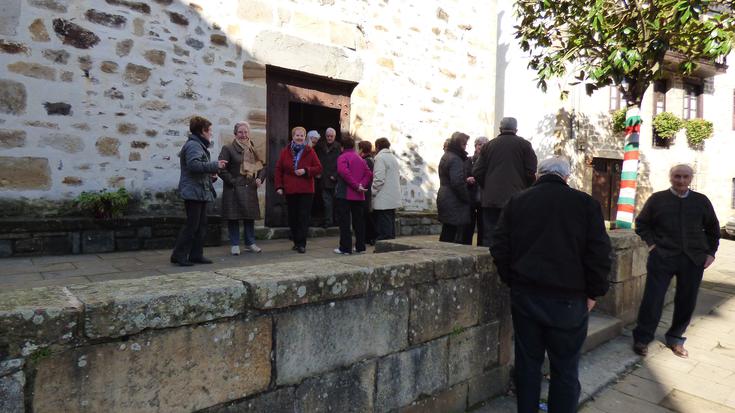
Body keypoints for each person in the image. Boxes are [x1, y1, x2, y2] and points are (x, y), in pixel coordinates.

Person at [491, 157, 611, 413]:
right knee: (565, 367)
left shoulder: (518, 201)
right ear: (566, 177)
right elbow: (599, 254)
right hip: (569, 299)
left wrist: (512, 280)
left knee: (528, 364)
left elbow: (499, 247)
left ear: (537, 175)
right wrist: (594, 292)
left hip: (526, 294)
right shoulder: (585, 204)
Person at [632, 164, 720, 358]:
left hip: (693, 259)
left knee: (687, 300)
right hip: (662, 257)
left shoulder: (701, 201)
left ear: (691, 179)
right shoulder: (657, 200)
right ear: (670, 177)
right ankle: (643, 338)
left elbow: (713, 229)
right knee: (653, 299)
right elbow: (642, 224)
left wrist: (711, 253)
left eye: (685, 177)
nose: (681, 180)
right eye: (677, 176)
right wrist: (653, 245)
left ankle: (675, 337)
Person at [171, 116, 228, 266]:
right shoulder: (194, 145)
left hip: (199, 191)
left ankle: (196, 255)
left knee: (200, 225)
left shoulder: (197, 145)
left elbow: (198, 170)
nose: (211, 134)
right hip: (193, 192)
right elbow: (193, 165)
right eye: (209, 131)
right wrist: (215, 165)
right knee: (192, 225)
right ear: (202, 131)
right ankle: (179, 255)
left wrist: (210, 177)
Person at [473, 117, 537, 245]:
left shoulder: (489, 146)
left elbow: (477, 171)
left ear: (500, 129)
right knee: (514, 235)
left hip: (491, 199)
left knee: (491, 235)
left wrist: (488, 186)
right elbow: (531, 171)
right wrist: (524, 187)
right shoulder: (524, 145)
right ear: (516, 129)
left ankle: (489, 262)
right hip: (516, 198)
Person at [218, 121, 265, 255]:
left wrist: (259, 178)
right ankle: (234, 244)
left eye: (245, 132)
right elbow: (222, 169)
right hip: (234, 188)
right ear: (235, 133)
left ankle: (250, 243)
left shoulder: (252, 148)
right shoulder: (228, 149)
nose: (243, 135)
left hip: (249, 187)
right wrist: (232, 181)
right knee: (234, 217)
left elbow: (262, 166)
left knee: (249, 216)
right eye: (240, 132)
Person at [275, 126, 323, 253]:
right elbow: (279, 169)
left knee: (303, 216)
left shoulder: (309, 151)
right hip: (290, 189)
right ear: (293, 136)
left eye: (302, 135)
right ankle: (296, 241)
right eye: (297, 135)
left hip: (306, 189)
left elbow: (318, 168)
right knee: (293, 217)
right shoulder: (285, 151)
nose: (300, 137)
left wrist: (306, 170)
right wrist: (279, 186)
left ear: (305, 137)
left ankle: (302, 243)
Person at [333, 135, 373, 254]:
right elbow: (369, 174)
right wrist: (361, 185)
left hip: (344, 195)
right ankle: (360, 247)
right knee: (359, 222)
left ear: (342, 147)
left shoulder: (342, 157)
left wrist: (356, 186)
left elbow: (344, 173)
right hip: (358, 195)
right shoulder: (360, 158)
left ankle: (345, 248)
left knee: (344, 222)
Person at [437, 132, 471, 244]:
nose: (465, 147)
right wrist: (466, 197)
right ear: (458, 144)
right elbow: (457, 183)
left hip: (445, 195)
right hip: (453, 199)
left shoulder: (446, 155)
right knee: (451, 233)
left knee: (447, 230)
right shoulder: (455, 159)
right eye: (464, 144)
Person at [371, 137, 402, 240]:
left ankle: (385, 247)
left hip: (383, 196)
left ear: (378, 147)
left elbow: (379, 179)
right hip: (392, 195)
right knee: (390, 223)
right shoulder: (393, 158)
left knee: (384, 227)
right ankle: (391, 246)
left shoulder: (380, 158)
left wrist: (372, 191)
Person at [462, 136, 488, 245]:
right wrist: (466, 179)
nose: (481, 147)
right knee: (468, 227)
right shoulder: (468, 160)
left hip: (484, 198)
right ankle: (466, 248)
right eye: (479, 144)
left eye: (484, 145)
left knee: (483, 227)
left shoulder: (489, 161)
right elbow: (460, 176)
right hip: (470, 198)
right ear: (475, 146)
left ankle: (481, 249)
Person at [314, 127, 342, 228]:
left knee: (336, 202)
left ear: (334, 136)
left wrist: (335, 175)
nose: (329, 138)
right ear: (325, 136)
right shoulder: (320, 146)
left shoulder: (338, 147)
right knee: (326, 201)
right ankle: (328, 221)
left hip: (335, 179)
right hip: (324, 178)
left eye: (331, 136)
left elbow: (341, 163)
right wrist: (318, 172)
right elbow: (316, 160)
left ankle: (337, 220)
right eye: (328, 136)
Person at [358, 140, 376, 245]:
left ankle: (370, 237)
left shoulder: (366, 160)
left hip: (366, 190)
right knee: (367, 215)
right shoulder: (370, 159)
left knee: (366, 215)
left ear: (361, 149)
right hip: (368, 189)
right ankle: (369, 237)